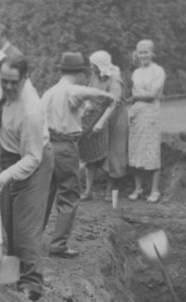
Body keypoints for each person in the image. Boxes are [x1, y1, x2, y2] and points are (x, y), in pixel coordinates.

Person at [0, 57, 54, 301]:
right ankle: (13, 274)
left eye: (12, 83)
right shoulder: (3, 84)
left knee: (25, 230)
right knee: (8, 221)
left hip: (33, 163)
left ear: (25, 78)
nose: (6, 87)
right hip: (8, 156)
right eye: (3, 80)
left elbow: (33, 157)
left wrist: (5, 176)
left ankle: (31, 286)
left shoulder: (31, 111)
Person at [40, 51, 114, 259]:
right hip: (65, 147)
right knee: (69, 196)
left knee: (45, 194)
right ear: (80, 73)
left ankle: (32, 237)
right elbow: (79, 93)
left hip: (47, 147)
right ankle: (58, 244)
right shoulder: (71, 90)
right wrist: (107, 96)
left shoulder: (49, 93)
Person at [79, 50, 128, 202]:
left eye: (92, 65)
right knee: (91, 150)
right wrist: (87, 104)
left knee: (114, 152)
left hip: (114, 119)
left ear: (100, 65)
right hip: (97, 114)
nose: (90, 67)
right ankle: (88, 191)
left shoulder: (115, 81)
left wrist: (101, 123)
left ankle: (110, 190)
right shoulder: (95, 76)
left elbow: (113, 104)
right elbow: (90, 92)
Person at [127, 40, 166, 203]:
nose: (143, 55)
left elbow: (153, 95)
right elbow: (135, 91)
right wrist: (140, 95)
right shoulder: (136, 72)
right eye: (140, 52)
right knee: (136, 149)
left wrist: (138, 95)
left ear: (152, 53)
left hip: (151, 113)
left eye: (146, 52)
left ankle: (154, 190)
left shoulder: (158, 71)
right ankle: (138, 188)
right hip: (137, 112)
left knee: (151, 149)